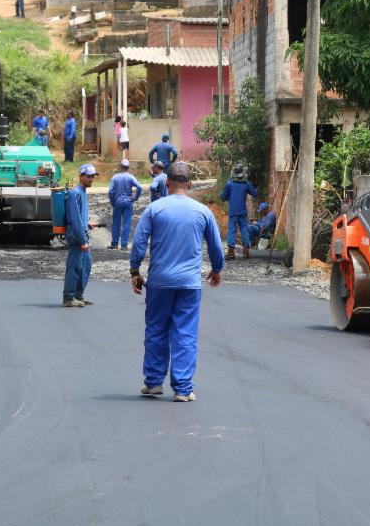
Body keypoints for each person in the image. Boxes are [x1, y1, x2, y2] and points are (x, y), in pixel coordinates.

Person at [129, 161, 224, 402]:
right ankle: (182, 389)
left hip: (160, 282)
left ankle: (153, 383)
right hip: (189, 284)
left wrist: (134, 270)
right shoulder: (202, 211)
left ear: (167, 183)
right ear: (190, 184)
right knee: (185, 333)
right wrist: (216, 268)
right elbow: (215, 245)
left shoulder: (154, 209)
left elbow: (140, 243)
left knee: (156, 330)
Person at [63, 164, 98, 307]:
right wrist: (83, 240)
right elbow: (75, 218)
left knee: (85, 267)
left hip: (82, 236)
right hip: (78, 238)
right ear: (81, 176)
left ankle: (78, 295)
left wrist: (87, 223)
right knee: (74, 267)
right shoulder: (75, 193)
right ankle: (69, 297)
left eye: (93, 176)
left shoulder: (83, 192)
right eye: (88, 176)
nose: (91, 179)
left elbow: (81, 217)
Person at [220, 164, 258, 259]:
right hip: (243, 212)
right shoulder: (246, 184)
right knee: (244, 230)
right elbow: (255, 193)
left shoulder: (229, 184)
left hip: (233, 212)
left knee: (232, 231)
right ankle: (246, 251)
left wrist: (230, 198)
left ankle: (231, 253)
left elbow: (222, 197)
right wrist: (255, 186)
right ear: (243, 173)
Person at [108, 158, 143, 249]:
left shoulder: (115, 177)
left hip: (118, 202)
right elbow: (139, 187)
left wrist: (113, 202)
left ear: (120, 167)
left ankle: (115, 244)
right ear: (128, 167)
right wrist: (135, 198)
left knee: (116, 223)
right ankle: (124, 244)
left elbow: (110, 191)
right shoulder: (131, 177)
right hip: (128, 202)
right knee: (126, 224)